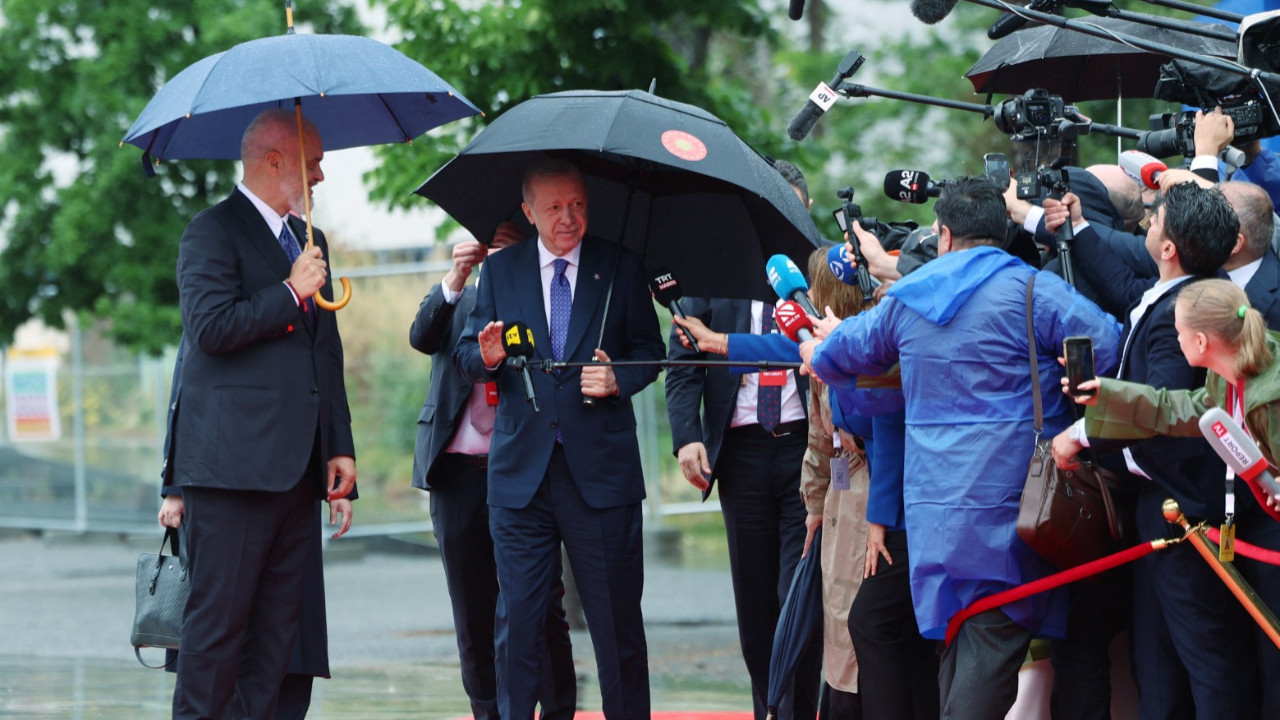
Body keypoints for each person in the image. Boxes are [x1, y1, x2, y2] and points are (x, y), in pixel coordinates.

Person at [800, 177, 1123, 720]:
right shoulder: (1032, 289)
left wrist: (817, 347)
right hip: (1013, 504)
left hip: (931, 510)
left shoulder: (907, 298)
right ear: (1001, 233)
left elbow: (842, 356)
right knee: (988, 647)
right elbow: (1107, 341)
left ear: (944, 234)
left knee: (960, 646)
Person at [453, 159, 664, 719]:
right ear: (528, 211)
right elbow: (466, 354)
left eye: (577, 205)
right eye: (553, 207)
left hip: (601, 476)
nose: (568, 218)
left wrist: (620, 375)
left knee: (616, 625)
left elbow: (650, 350)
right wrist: (488, 357)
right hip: (522, 479)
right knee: (519, 623)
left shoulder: (620, 265)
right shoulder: (502, 272)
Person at [168, 108, 357, 720]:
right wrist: (289, 292)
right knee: (217, 636)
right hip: (230, 473)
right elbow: (211, 329)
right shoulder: (210, 232)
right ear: (274, 162)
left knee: (279, 640)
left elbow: (324, 353)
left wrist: (339, 445)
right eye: (313, 162)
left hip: (297, 470)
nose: (322, 175)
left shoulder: (310, 241)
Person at [1048, 182, 1242, 720]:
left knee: (1201, 652)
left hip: (1182, 504)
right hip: (1160, 501)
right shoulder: (1194, 291)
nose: (1144, 225)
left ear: (1168, 248)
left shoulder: (1189, 314)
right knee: (1156, 656)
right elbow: (1122, 287)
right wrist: (1078, 228)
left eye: (1153, 220)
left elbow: (1166, 410)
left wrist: (1085, 429)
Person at [1061, 279, 1280, 717]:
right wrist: (1108, 393)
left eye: (1178, 332)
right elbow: (1181, 408)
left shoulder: (1270, 395)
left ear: (1200, 340)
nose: (1175, 340)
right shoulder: (1228, 373)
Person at [664, 158, 820, 720]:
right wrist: (686, 438)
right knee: (755, 605)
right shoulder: (706, 272)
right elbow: (682, 361)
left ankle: (798, 710)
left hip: (810, 455)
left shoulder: (820, 273)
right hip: (743, 451)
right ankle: (768, 709)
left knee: (796, 598)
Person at [409, 223, 576, 719]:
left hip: (524, 470)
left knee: (540, 603)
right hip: (459, 471)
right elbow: (421, 335)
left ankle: (558, 708)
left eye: (513, 246)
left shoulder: (549, 305)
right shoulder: (463, 297)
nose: (502, 256)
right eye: (494, 245)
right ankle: (487, 710)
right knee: (472, 608)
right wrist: (457, 276)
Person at [157, 336, 350, 720]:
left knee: (288, 629)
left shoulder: (314, 284)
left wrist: (338, 466)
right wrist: (175, 487)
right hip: (227, 478)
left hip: (297, 480)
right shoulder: (231, 287)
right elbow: (189, 377)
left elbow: (325, 367)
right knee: (221, 624)